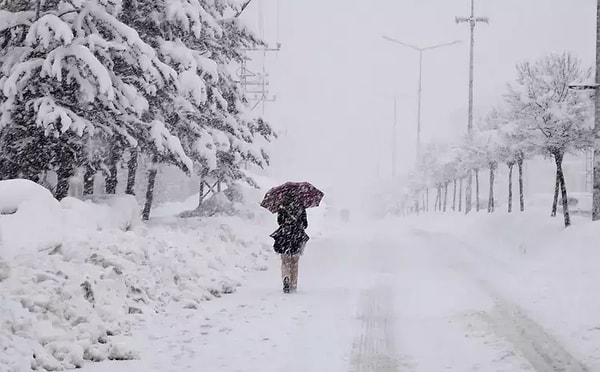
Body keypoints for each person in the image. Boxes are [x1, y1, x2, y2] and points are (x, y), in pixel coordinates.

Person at [271, 191, 309, 293]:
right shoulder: (301, 207)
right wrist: (298, 224)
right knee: (294, 263)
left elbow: (279, 222)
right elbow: (305, 224)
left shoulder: (282, 207)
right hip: (296, 237)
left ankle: (286, 277)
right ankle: (293, 284)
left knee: (285, 261)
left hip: (284, 237)